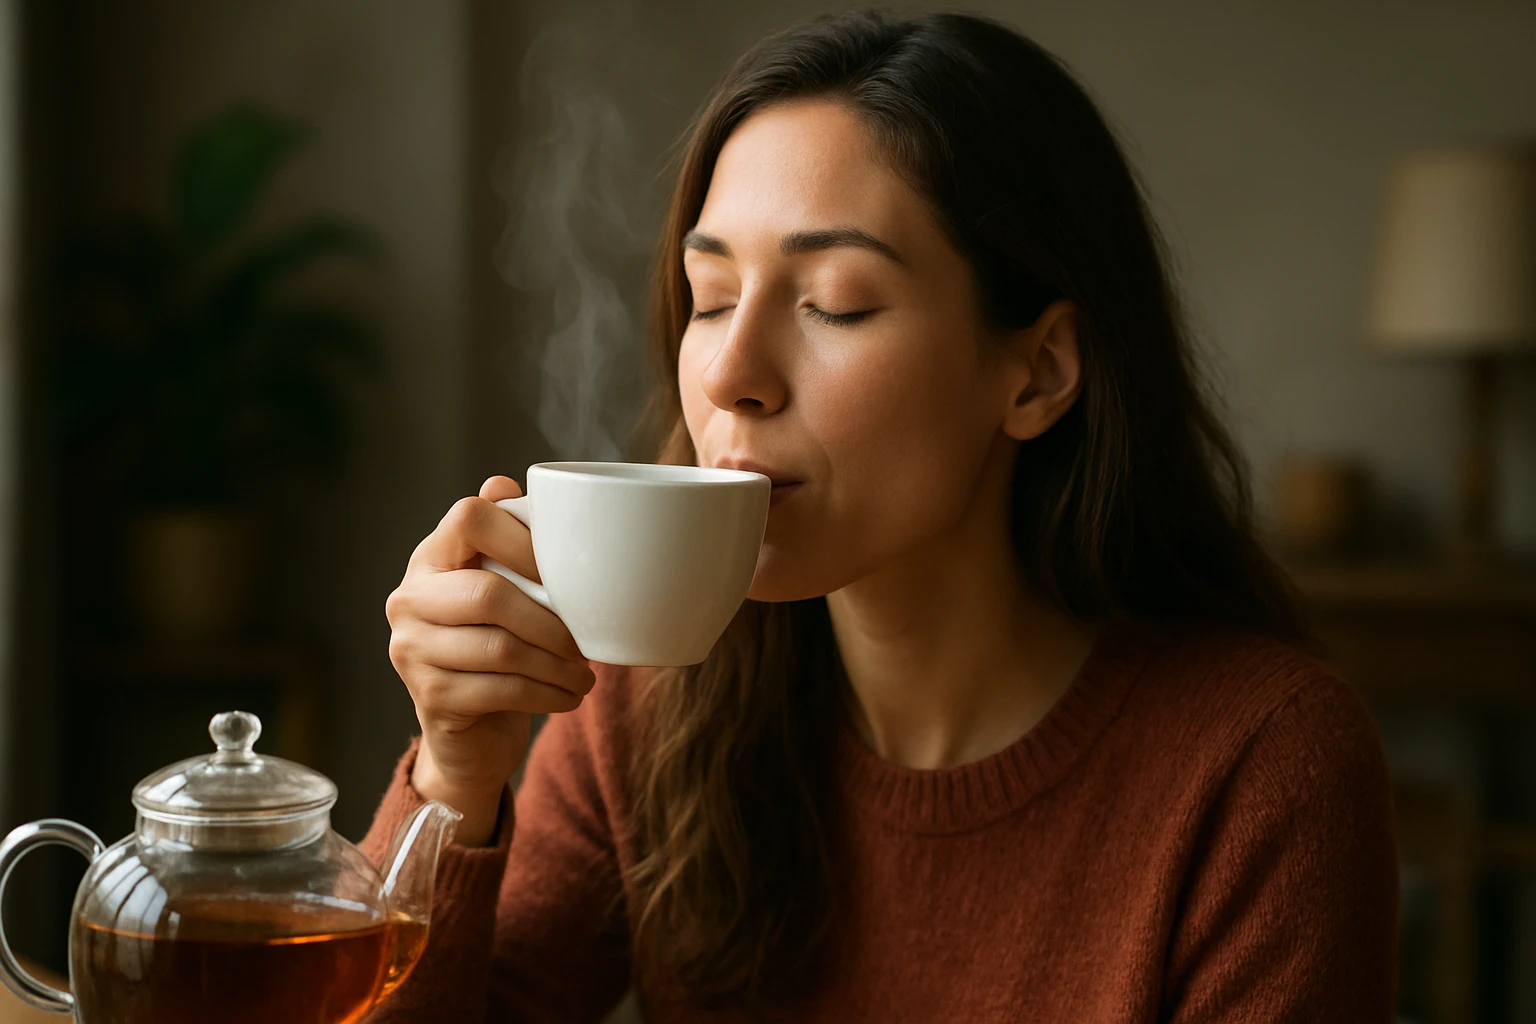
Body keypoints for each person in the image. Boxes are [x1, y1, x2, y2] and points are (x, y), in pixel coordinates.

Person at [363, 10, 1398, 1022]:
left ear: (1037, 373)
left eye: (837, 303)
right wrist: (456, 778)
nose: (730, 373)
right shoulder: (645, 705)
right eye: (712, 296)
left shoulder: (1261, 771)